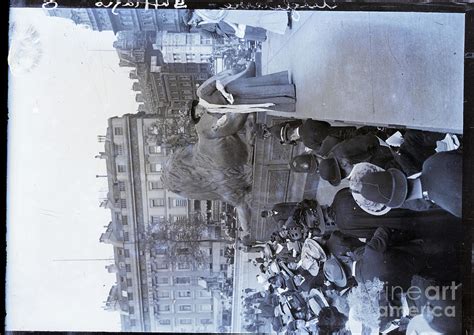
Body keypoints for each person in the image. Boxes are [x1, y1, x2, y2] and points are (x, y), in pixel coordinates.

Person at [194, 61, 296, 115]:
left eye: (197, 114)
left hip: (234, 89)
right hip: (238, 102)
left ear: (195, 108)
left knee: (260, 90)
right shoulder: (209, 110)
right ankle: (288, 100)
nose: (200, 115)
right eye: (198, 117)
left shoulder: (203, 94)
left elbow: (216, 83)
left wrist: (225, 94)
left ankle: (288, 89)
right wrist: (220, 123)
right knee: (262, 102)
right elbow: (225, 111)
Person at [194, 9, 290, 35]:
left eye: (192, 20)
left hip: (234, 10)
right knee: (258, 21)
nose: (194, 22)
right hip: (234, 16)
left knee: (258, 14)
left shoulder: (202, 10)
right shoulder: (202, 17)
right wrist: (235, 29)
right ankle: (283, 22)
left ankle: (283, 15)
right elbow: (222, 19)